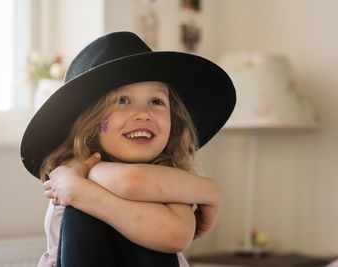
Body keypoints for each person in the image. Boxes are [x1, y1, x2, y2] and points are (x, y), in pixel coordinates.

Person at [20, 31, 236, 267]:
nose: (144, 114)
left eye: (156, 101)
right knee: (81, 214)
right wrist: (206, 190)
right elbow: (131, 181)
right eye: (122, 100)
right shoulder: (73, 168)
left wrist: (81, 191)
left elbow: (175, 234)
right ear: (89, 122)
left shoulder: (165, 177)